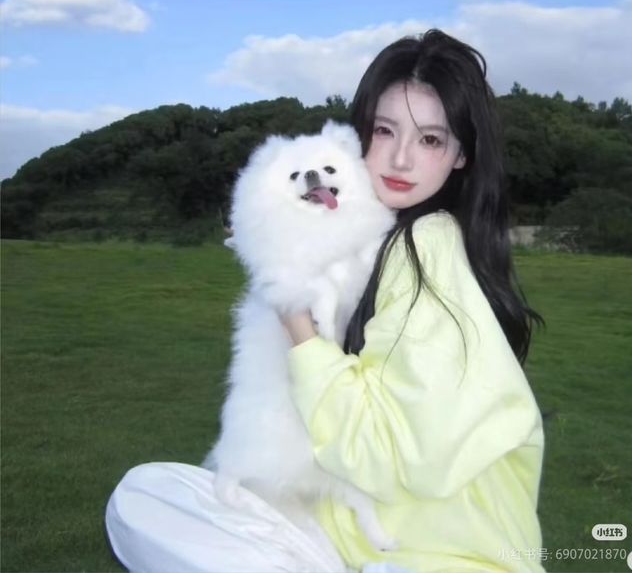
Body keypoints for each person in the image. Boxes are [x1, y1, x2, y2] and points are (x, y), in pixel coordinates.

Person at [105, 29, 546, 573]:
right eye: (385, 130)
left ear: (461, 156)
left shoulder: (427, 243)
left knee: (144, 499)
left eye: (431, 140)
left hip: (442, 556)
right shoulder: (386, 241)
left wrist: (296, 323)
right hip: (355, 534)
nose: (401, 159)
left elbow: (387, 453)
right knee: (147, 493)